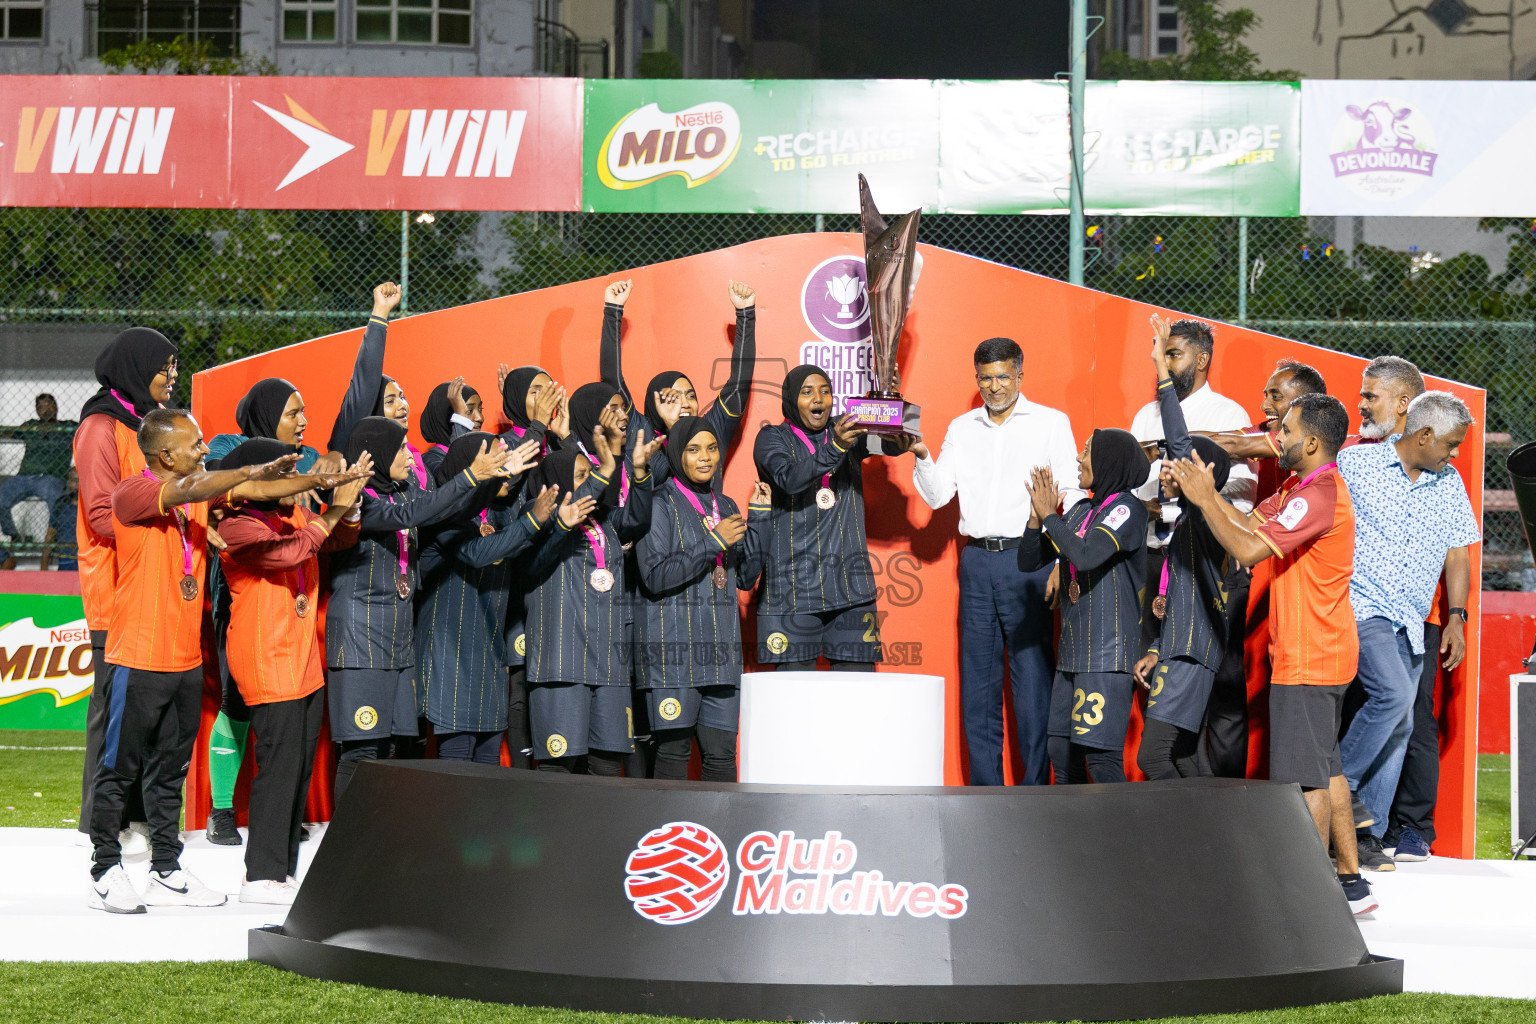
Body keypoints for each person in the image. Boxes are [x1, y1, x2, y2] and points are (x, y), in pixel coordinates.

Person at [89, 409, 363, 914]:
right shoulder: (132, 492)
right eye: (193, 444)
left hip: (184, 660)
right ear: (165, 455)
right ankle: (104, 868)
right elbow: (197, 489)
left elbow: (253, 494)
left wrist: (326, 479)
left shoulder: (205, 498)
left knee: (170, 770)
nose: (202, 449)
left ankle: (165, 868)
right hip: (136, 655)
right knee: (119, 768)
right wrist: (245, 473)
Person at [1169, 394, 1377, 916]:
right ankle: (1351, 885)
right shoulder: (1296, 488)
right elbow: (1246, 532)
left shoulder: (1320, 493)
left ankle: (1306, 895)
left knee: (1303, 779)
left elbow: (1246, 552)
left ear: (1311, 442)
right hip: (1319, 652)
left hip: (1311, 656)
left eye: (1284, 431)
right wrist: (1207, 497)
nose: (1275, 438)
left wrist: (1204, 497)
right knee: (1325, 767)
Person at [910, 336, 1082, 787]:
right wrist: (923, 455)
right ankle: (985, 793)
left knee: (1032, 684)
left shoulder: (1050, 423)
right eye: (986, 378)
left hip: (1033, 562)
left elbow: (1074, 492)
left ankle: (1033, 795)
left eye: (1003, 376)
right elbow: (938, 493)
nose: (995, 386)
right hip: (978, 562)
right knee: (978, 687)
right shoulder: (962, 428)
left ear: (1020, 374)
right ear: (977, 379)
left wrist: (1068, 558)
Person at [326, 417, 518, 798]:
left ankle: (381, 837)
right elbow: (411, 516)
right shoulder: (357, 498)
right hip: (360, 634)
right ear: (375, 454)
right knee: (362, 750)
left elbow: (446, 511)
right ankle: (347, 845)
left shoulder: (405, 490)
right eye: (399, 449)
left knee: (394, 748)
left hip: (400, 637)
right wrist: (471, 477)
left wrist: (488, 479)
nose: (409, 457)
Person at [215, 437, 369, 904]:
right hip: (266, 656)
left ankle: (282, 872)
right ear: (251, 481)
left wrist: (350, 505)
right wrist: (330, 512)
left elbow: (339, 538)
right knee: (278, 768)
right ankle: (259, 875)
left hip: (302, 659)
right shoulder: (237, 526)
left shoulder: (292, 516)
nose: (293, 483)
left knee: (298, 768)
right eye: (282, 475)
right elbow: (288, 554)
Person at [1337, 391, 1480, 872]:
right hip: (1364, 607)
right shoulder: (1357, 464)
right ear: (1423, 436)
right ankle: (1336, 789)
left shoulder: (1449, 481)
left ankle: (1368, 835)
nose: (1454, 453)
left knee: (1400, 726)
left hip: (1414, 619)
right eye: (1451, 444)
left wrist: (1456, 616)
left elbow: (1457, 552)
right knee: (1395, 697)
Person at [1128, 318, 1256, 780]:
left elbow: (1193, 456)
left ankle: (1220, 804)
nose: (1173, 468)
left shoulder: (1225, 417)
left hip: (1207, 587)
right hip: (1163, 571)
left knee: (1210, 701)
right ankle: (1201, 822)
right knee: (1176, 737)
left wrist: (1161, 379)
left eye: (1174, 354)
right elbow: (1134, 489)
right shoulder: (1146, 418)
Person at [73, 327, 178, 851]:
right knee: (113, 712)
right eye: (164, 367)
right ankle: (101, 825)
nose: (172, 377)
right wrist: (165, 528)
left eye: (176, 367)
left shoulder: (149, 426)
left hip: (150, 588)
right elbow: (98, 515)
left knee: (144, 714)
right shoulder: (99, 426)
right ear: (137, 368)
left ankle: (133, 818)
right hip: (115, 591)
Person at [635, 418, 773, 782]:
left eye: (712, 448)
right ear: (678, 454)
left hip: (721, 657)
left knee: (722, 758)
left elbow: (744, 578)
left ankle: (722, 837)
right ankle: (670, 838)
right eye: (694, 449)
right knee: (672, 754)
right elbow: (653, 577)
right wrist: (713, 542)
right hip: (673, 656)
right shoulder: (658, 504)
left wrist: (759, 519)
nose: (705, 457)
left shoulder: (725, 504)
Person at [752, 366, 914, 670]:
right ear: (790, 399)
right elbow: (788, 479)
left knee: (858, 697)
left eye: (825, 391)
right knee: (794, 700)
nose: (819, 399)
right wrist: (837, 445)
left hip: (851, 590)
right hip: (793, 591)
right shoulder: (771, 438)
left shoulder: (847, 427)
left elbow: (889, 441)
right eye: (807, 391)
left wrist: (892, 403)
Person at [523, 425, 660, 775]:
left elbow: (638, 519)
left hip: (609, 660)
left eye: (593, 473)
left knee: (608, 765)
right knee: (559, 767)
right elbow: (534, 564)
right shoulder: (539, 518)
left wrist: (641, 475)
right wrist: (602, 474)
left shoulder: (607, 520)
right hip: (562, 661)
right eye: (583, 474)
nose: (594, 481)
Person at [1019, 430, 1149, 785]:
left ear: (1109, 460)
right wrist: (1036, 519)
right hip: (1072, 657)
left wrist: (1050, 517)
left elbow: (1087, 555)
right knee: (1061, 757)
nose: (1078, 458)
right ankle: (1071, 839)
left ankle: (1120, 840)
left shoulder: (1127, 508)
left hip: (1106, 657)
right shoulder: (1080, 512)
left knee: (1101, 760)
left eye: (1087, 452)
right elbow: (1028, 562)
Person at [416, 431, 554, 764]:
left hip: (489, 660)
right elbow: (476, 553)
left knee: (487, 772)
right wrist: (532, 520)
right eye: (496, 460)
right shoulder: (441, 514)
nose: (505, 466)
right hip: (450, 660)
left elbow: (523, 556)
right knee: (458, 771)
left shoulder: (496, 514)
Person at [600, 278, 758, 484]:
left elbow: (740, 383)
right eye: (672, 398)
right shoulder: (640, 432)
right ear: (655, 404)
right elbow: (612, 380)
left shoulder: (711, 428)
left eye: (690, 396)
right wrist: (613, 311)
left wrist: (746, 314)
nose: (684, 403)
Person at [0, 393, 75, 552]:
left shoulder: (67, 427)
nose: (45, 410)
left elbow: (88, 429)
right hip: (24, 477)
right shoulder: (31, 426)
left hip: (49, 478)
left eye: (49, 405)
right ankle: (13, 534)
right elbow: (7, 434)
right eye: (41, 407)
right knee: (1, 497)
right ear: (36, 411)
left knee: (57, 501)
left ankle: (51, 540)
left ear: (56, 407)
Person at [419, 377, 485, 478]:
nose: (480, 418)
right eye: (468, 411)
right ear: (445, 416)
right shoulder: (429, 461)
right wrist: (461, 420)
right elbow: (454, 478)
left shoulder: (482, 453)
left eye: (480, 409)